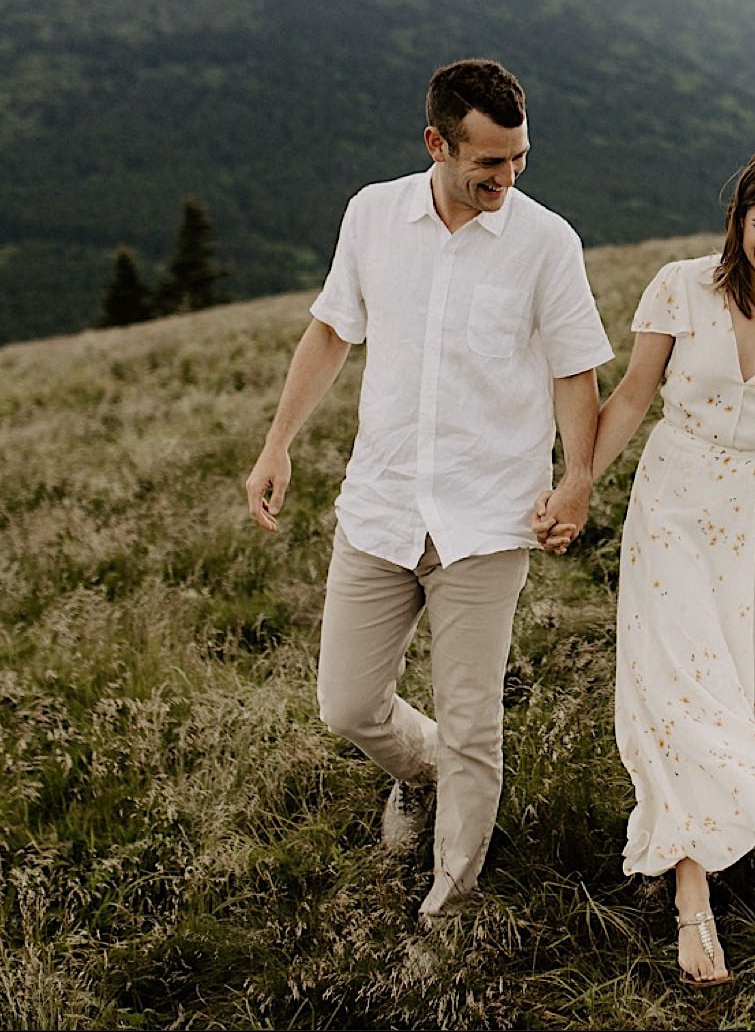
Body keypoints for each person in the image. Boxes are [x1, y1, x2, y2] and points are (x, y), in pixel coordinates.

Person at [245, 58, 613, 925]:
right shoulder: (373, 215)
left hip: (487, 520)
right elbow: (332, 331)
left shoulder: (546, 242)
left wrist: (578, 480)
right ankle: (424, 769)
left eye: (519, 158)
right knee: (348, 703)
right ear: (437, 143)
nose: (508, 177)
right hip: (379, 508)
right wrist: (277, 445)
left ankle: (451, 905)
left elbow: (574, 372)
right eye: (489, 161)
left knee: (475, 719)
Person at [535, 146, 755, 985]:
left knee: (745, 688)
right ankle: (693, 903)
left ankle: (741, 823)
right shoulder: (682, 286)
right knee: (684, 690)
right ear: (738, 220)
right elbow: (633, 397)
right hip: (674, 508)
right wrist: (577, 486)